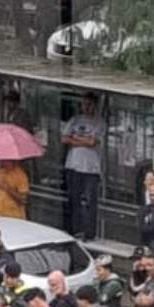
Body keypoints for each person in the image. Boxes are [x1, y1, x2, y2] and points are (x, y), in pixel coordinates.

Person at [62, 92, 104, 240]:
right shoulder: (75, 120)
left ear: (95, 105)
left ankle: (88, 232)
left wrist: (76, 138)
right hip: (73, 165)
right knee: (73, 199)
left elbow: (93, 142)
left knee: (88, 201)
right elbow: (65, 138)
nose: (86, 107)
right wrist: (84, 140)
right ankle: (74, 230)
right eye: (84, 104)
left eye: (89, 104)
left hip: (90, 168)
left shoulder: (99, 122)